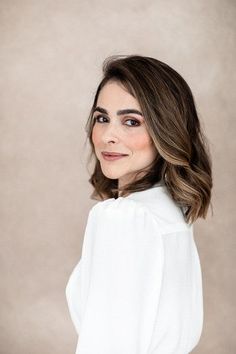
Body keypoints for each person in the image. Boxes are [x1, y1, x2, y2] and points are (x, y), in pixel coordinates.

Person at [65, 54, 213, 354]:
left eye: (131, 121)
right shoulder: (171, 214)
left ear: (165, 131)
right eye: (102, 118)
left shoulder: (124, 218)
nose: (108, 136)